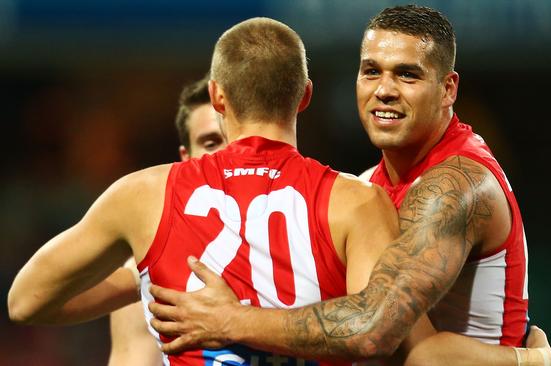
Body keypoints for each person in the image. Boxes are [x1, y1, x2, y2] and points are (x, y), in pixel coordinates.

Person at [146, 6, 551, 365]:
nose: (385, 91)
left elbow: (378, 333)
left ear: (448, 89)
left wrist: (231, 321)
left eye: (407, 75)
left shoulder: (455, 187)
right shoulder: (365, 190)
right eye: (371, 71)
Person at [8, 17, 399, 365]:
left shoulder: (144, 196)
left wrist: (149, 282)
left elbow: (26, 301)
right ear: (305, 97)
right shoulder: (358, 202)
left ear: (217, 97)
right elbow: (377, 334)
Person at [108, 76, 226, 366]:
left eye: (237, 141)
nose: (227, 155)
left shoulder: (319, 232)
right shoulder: (150, 273)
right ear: (186, 160)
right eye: (211, 142)